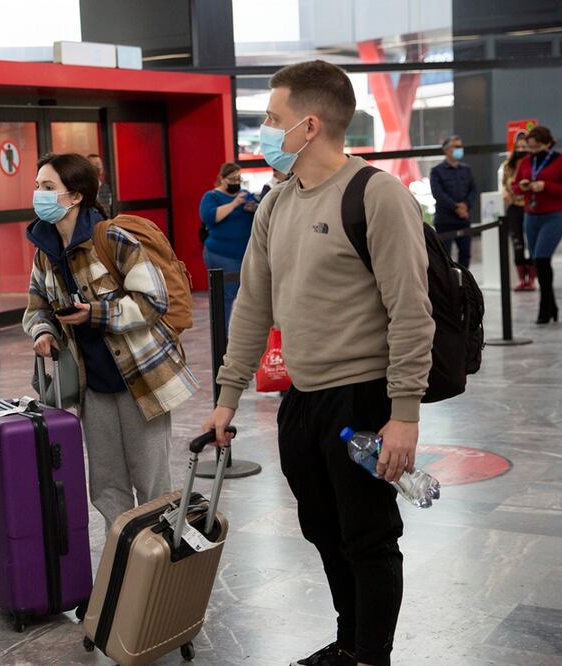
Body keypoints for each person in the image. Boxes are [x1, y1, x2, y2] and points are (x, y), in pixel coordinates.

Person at [202, 61, 434, 666]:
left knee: (368, 538)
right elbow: (252, 305)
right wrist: (227, 396)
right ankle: (350, 642)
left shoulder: (376, 195)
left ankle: (369, 656)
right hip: (302, 399)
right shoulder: (277, 204)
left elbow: (411, 311)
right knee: (323, 530)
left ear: (308, 126)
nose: (263, 131)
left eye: (271, 119)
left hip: (363, 399)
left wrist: (404, 415)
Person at [22, 152, 200, 528]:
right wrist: (43, 331)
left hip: (141, 378)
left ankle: (156, 567)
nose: (39, 194)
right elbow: (36, 307)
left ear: (75, 197)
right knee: (105, 486)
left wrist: (95, 313)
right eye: (37, 186)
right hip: (92, 386)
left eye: (48, 187)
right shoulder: (45, 254)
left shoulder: (112, 239)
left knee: (151, 482)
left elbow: (154, 302)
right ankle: (122, 565)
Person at [199, 162, 256, 333]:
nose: (236, 182)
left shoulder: (246, 195)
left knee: (246, 296)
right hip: (221, 254)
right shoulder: (211, 197)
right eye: (232, 179)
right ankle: (224, 336)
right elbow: (209, 217)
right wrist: (234, 204)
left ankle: (241, 333)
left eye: (239, 178)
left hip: (244, 254)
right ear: (222, 179)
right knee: (226, 296)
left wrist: (253, 208)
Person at [513, 125, 562, 324]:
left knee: (542, 258)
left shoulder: (559, 161)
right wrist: (523, 186)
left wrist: (545, 186)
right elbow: (515, 185)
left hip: (553, 215)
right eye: (529, 147)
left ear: (547, 144)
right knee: (537, 261)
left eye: (535, 147)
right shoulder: (525, 162)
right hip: (530, 215)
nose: (532, 151)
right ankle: (552, 306)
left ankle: (545, 305)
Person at [430, 135, 478, 268]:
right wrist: (456, 207)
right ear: (446, 150)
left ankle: (464, 284)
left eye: (461, 146)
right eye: (456, 147)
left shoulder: (466, 170)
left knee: (465, 254)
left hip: (463, 219)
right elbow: (438, 193)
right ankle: (448, 286)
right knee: (444, 257)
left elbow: (473, 190)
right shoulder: (437, 171)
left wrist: (466, 206)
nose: (459, 149)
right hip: (445, 221)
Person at [500, 136, 535, 291]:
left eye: (524, 146)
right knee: (517, 244)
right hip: (514, 207)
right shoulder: (508, 165)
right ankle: (522, 280)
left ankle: (532, 280)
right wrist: (506, 194)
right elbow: (504, 184)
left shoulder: (534, 163)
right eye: (518, 147)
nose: (521, 150)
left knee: (533, 243)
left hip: (531, 207)